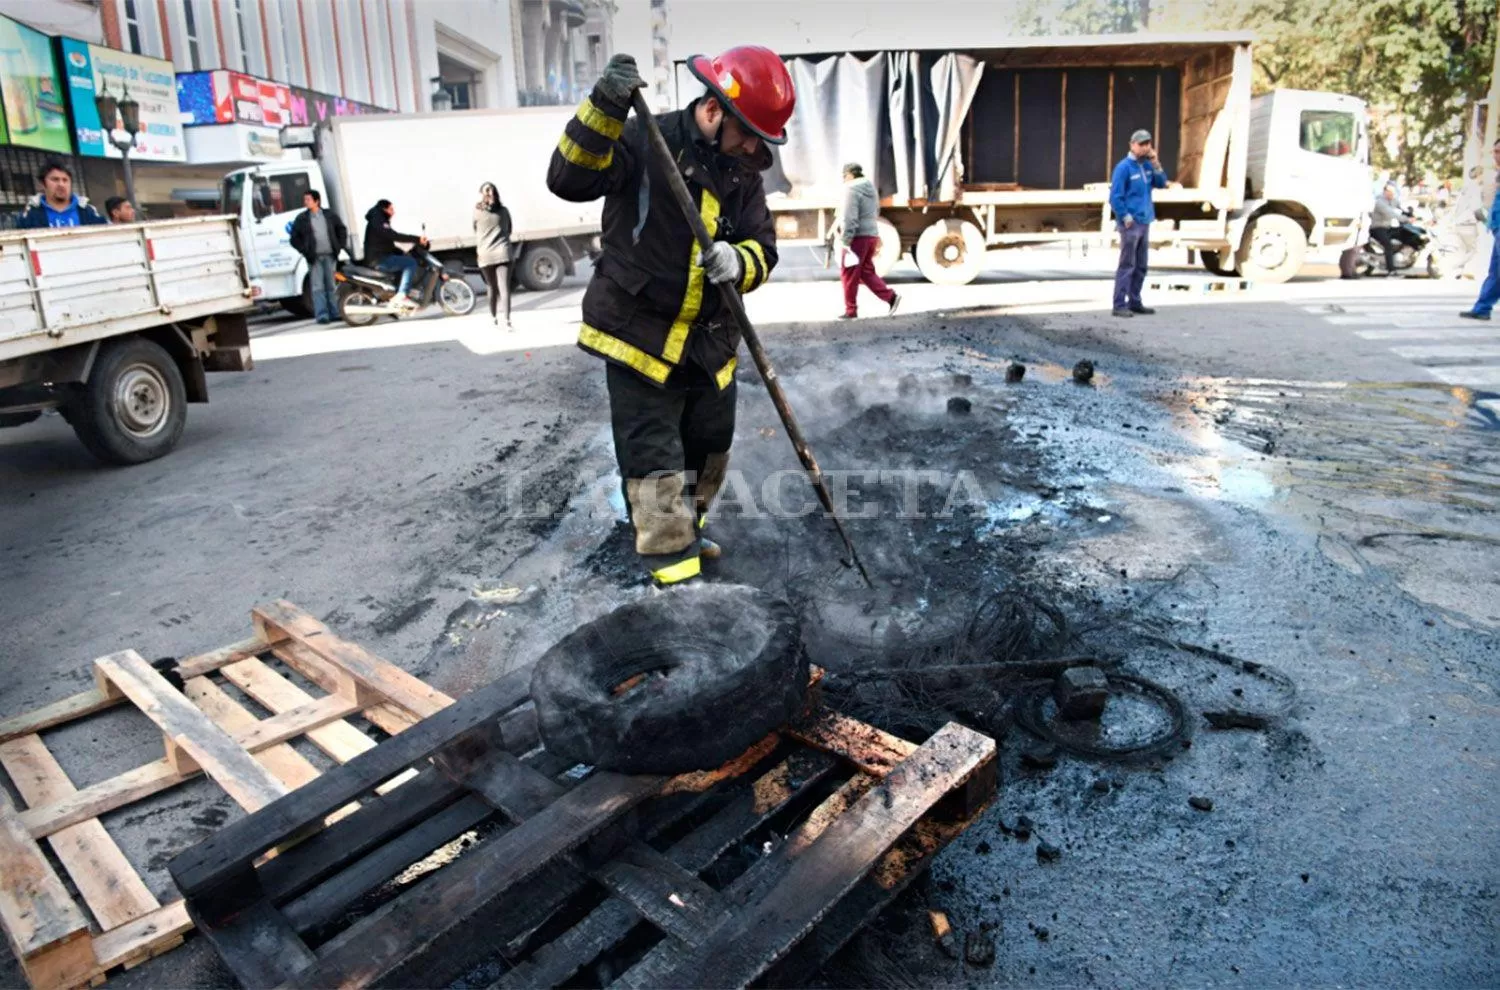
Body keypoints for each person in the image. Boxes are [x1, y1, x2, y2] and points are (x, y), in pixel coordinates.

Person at [547, 46, 792, 587]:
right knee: (655, 468)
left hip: (709, 345)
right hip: (641, 338)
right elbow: (569, 178)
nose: (755, 147)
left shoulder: (744, 172)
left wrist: (739, 259)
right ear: (713, 111)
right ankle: (678, 589)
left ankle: (687, 534)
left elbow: (765, 248)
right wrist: (605, 105)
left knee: (709, 452)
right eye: (749, 131)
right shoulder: (641, 140)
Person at [1109, 129, 1168, 317]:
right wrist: (1125, 217)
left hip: (1145, 221)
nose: (1145, 147)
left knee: (1141, 265)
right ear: (1132, 145)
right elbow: (1115, 197)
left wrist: (1156, 162)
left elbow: (1161, 182)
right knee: (1128, 264)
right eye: (1141, 144)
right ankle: (1119, 304)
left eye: (1147, 144)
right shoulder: (1124, 168)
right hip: (1131, 223)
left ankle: (1135, 301)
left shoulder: (1147, 166)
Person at [836, 162, 898, 320]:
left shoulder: (850, 189)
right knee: (866, 272)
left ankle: (851, 311)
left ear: (849, 175)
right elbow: (876, 210)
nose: (843, 179)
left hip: (857, 237)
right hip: (871, 235)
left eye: (844, 176)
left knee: (848, 273)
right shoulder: (870, 187)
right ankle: (891, 297)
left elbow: (849, 218)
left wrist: (846, 240)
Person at [289, 190, 349, 324]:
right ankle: (322, 315)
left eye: (308, 200)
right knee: (317, 287)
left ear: (317, 201)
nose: (306, 202)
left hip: (330, 255)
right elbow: (294, 238)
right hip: (314, 257)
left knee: (331, 285)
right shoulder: (302, 218)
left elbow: (341, 230)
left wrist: (339, 246)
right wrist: (305, 250)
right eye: (305, 200)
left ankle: (335, 313)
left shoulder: (329, 215)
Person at [1459, 139, 1500, 321]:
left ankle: (1482, 307)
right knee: (1496, 272)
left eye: (1498, 151)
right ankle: (1482, 307)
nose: (1496, 155)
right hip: (1496, 227)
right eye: (1495, 151)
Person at [362, 199, 426, 306]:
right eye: (391, 209)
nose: (393, 212)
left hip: (378, 256)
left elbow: (386, 242)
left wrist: (400, 251)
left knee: (402, 260)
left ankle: (393, 296)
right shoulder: (379, 220)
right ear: (384, 209)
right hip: (378, 259)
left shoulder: (377, 218)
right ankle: (401, 295)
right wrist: (417, 239)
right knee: (410, 263)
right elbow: (394, 236)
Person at [16, 161, 108, 229]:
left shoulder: (88, 211)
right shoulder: (30, 215)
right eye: (55, 179)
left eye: (65, 180)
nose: (61, 184)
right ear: (42, 184)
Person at [474, 182, 514, 328]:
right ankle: (508, 321)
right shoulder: (504, 211)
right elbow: (509, 230)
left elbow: (475, 230)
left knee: (491, 287)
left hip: (485, 254)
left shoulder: (477, 212)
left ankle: (493, 317)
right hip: (503, 252)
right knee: (504, 287)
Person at [1369, 183, 1404, 275]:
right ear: (1385, 192)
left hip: (1387, 227)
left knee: (1404, 234)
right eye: (1390, 192)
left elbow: (1401, 207)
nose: (1392, 194)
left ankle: (1400, 259)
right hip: (1377, 227)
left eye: (1393, 192)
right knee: (1388, 245)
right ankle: (1391, 270)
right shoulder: (1379, 202)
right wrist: (1408, 219)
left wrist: (1410, 212)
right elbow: (1391, 214)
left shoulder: (1393, 200)